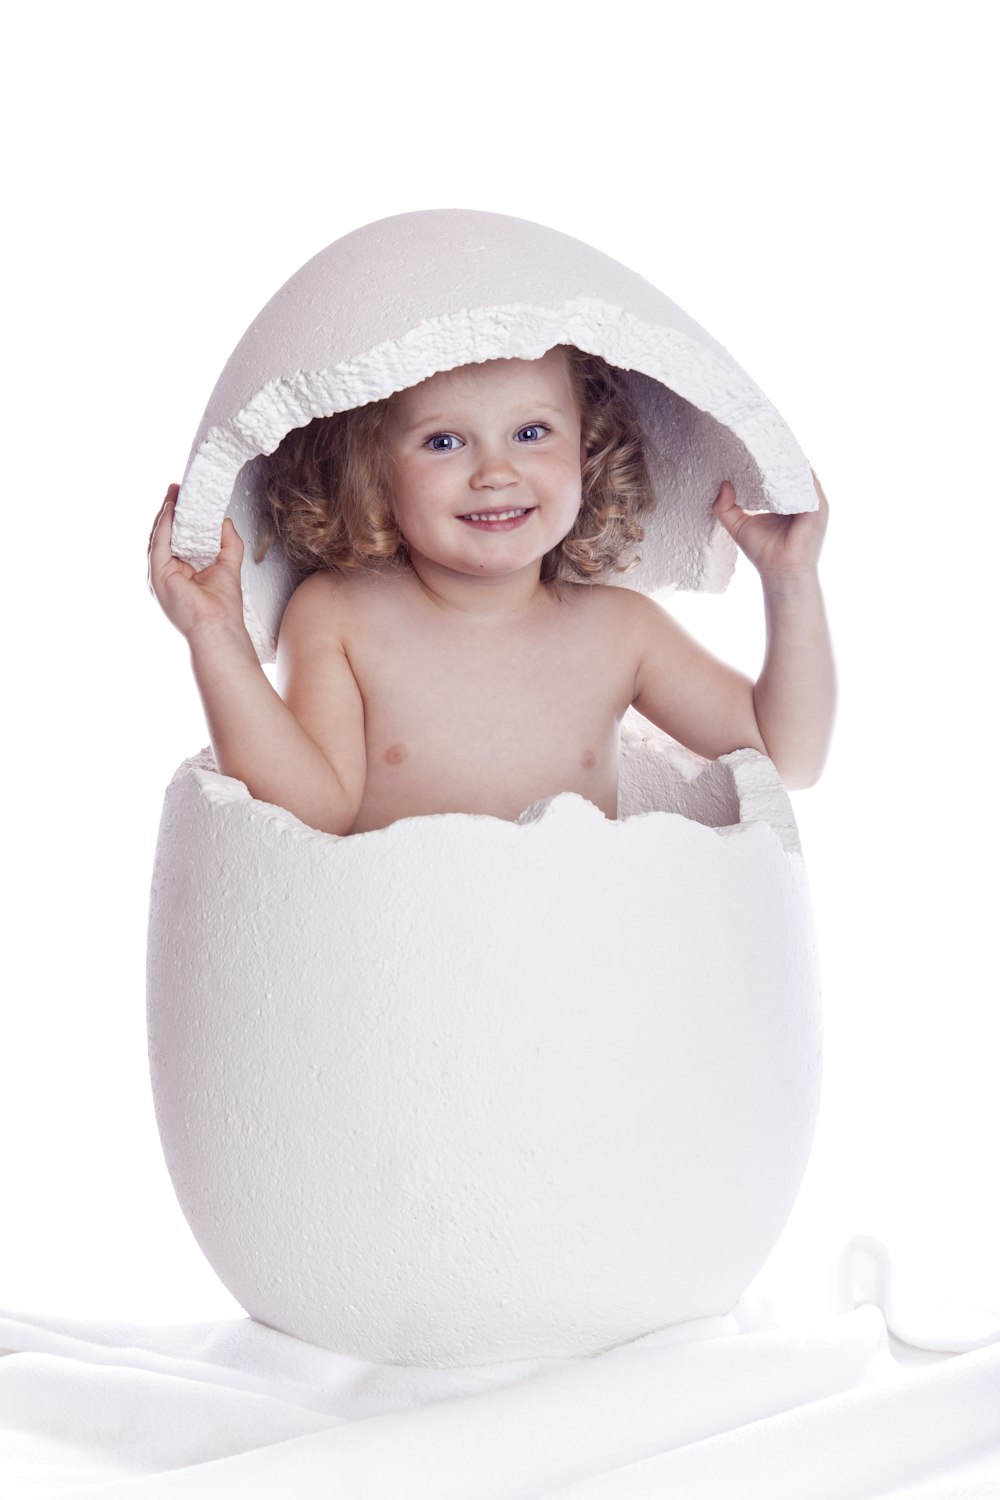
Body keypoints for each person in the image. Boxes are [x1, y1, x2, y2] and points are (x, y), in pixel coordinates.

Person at [148, 344, 834, 836]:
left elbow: (789, 755)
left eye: (531, 432)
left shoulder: (622, 632)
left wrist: (791, 579)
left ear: (588, 450)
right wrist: (216, 637)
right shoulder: (339, 615)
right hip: (402, 973)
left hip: (572, 982)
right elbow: (310, 810)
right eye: (444, 442)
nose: (495, 472)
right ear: (374, 469)